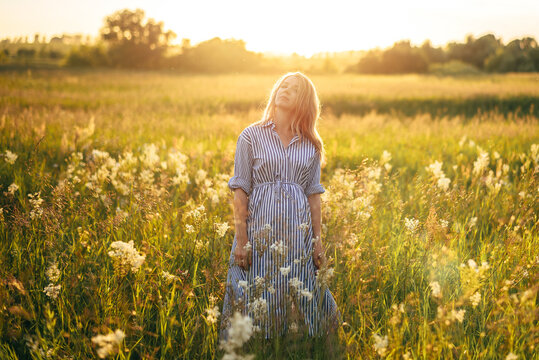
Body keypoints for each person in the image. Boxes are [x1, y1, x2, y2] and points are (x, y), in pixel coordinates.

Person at [220, 72, 340, 341]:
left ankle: (312, 346)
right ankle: (251, 347)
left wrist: (317, 241)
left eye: (294, 88)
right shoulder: (251, 136)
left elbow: (314, 197)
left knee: (302, 286)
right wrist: (242, 241)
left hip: (298, 235)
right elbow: (240, 191)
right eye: (283, 85)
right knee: (251, 290)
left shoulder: (311, 145)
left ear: (305, 100)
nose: (285, 89)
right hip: (259, 234)